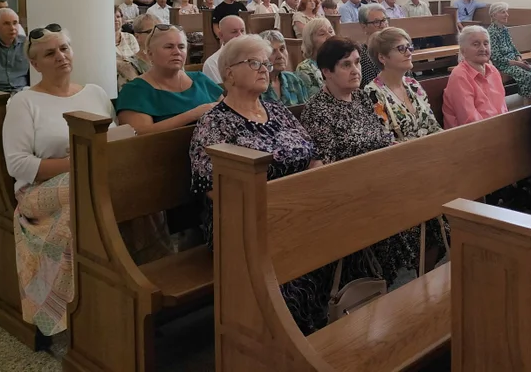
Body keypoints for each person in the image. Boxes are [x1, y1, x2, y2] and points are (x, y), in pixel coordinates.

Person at [188, 34, 323, 332]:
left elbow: (313, 154)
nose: (265, 68)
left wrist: (312, 197)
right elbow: (213, 187)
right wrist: (277, 213)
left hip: (298, 211)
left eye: (265, 63)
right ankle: (289, 347)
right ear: (229, 73)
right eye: (253, 62)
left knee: (346, 241)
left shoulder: (276, 110)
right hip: (243, 223)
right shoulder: (214, 123)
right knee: (294, 271)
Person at [2, 25, 113, 336]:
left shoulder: (95, 93)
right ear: (35, 64)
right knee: (85, 195)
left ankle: (123, 283)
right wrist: (77, 162)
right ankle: (63, 307)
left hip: (93, 178)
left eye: (64, 48)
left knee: (119, 189)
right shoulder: (24, 102)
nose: (61, 56)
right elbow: (18, 163)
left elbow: (112, 140)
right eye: (50, 53)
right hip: (38, 191)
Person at [301, 37, 420, 296]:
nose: (356, 70)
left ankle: (419, 292)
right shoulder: (317, 110)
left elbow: (383, 139)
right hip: (352, 195)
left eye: (356, 62)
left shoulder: (361, 99)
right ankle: (395, 295)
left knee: (431, 207)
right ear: (326, 72)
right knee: (411, 219)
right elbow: (324, 168)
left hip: (381, 183)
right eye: (346, 65)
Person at [116, 25, 223, 135]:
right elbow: (138, 136)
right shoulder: (135, 90)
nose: (177, 52)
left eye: (181, 47)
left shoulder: (201, 80)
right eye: (169, 47)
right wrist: (192, 115)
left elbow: (229, 115)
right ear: (150, 53)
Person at [364, 27, 441, 140]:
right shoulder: (373, 92)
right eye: (401, 48)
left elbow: (433, 126)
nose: (409, 53)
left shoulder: (413, 84)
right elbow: (385, 141)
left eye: (409, 47)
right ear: (382, 57)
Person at [442, 25, 506, 128]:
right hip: (468, 136)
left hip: (495, 130)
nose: (483, 48)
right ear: (463, 51)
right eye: (476, 44)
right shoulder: (459, 76)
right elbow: (469, 120)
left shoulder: (493, 71)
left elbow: (502, 108)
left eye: (486, 43)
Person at [487, 3, 531, 98]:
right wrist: (519, 64)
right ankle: (527, 101)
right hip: (503, 65)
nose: (507, 15)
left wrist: (519, 60)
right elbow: (497, 57)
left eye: (506, 12)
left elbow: (513, 48)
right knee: (526, 75)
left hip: (514, 61)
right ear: (494, 15)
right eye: (503, 12)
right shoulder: (491, 32)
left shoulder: (504, 29)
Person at [259, 30, 311, 105]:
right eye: (273, 51)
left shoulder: (294, 80)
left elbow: (305, 112)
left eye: (282, 49)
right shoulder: (258, 85)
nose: (280, 56)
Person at [296, 17, 335, 98]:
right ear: (310, 40)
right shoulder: (305, 68)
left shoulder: (339, 61)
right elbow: (315, 100)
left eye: (331, 31)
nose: (330, 36)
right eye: (322, 34)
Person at [202, 15, 247, 84]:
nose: (240, 35)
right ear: (221, 35)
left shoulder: (254, 55)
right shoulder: (213, 63)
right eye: (234, 32)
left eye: (242, 31)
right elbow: (219, 92)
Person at [357, 4, 389, 87]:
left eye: (384, 20)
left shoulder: (394, 49)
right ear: (364, 27)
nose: (382, 25)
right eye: (377, 22)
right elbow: (371, 89)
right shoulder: (363, 56)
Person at [115, 7, 142, 90]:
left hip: (134, 74)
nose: (116, 20)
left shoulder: (130, 37)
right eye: (112, 18)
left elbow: (138, 60)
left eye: (118, 17)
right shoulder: (103, 42)